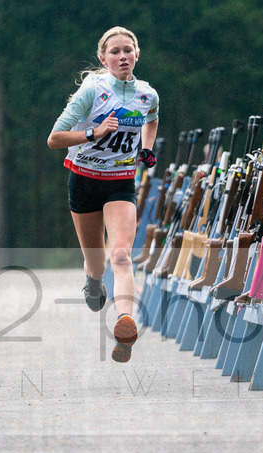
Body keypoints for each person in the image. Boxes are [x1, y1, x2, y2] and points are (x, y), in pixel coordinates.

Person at [47, 26, 159, 363]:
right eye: (115, 52)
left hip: (121, 182)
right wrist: (94, 132)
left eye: (128, 50)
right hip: (83, 180)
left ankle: (125, 322)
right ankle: (93, 283)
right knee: (96, 265)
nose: (122, 56)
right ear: (103, 58)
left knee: (121, 256)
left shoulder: (147, 94)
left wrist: (147, 149)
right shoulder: (92, 91)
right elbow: (55, 138)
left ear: (137, 55)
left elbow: (152, 120)